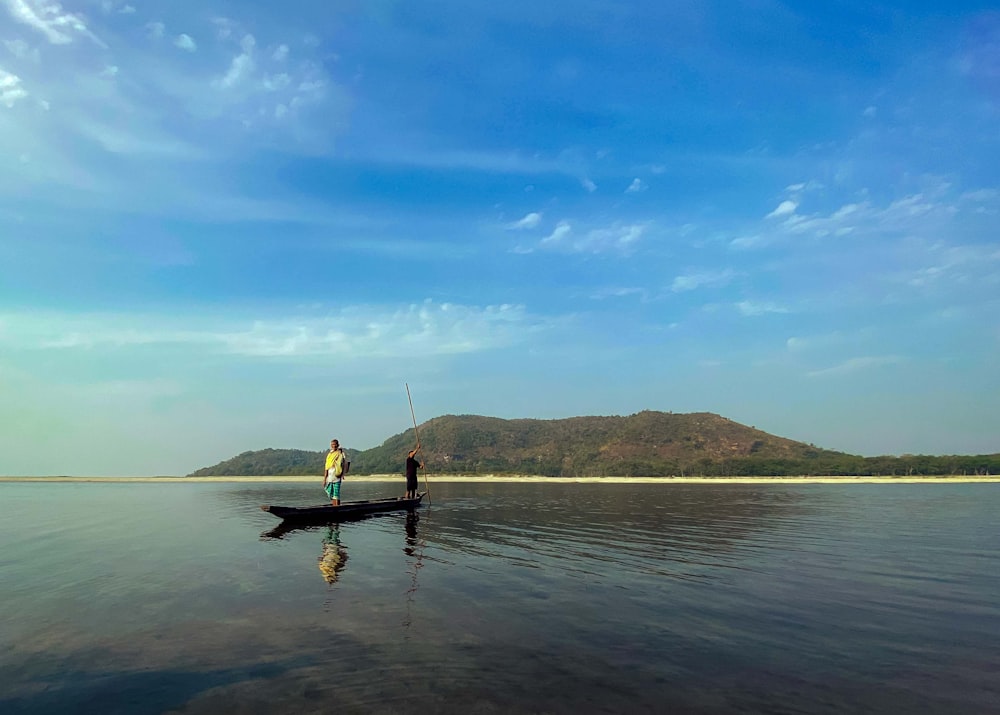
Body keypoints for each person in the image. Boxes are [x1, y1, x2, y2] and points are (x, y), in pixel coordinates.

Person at [324, 439, 348, 505]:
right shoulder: (329, 454)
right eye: (332, 444)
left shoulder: (340, 453)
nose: (333, 446)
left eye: (334, 444)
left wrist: (343, 474)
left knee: (336, 493)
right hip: (330, 476)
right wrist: (324, 479)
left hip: (337, 475)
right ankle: (334, 505)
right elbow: (326, 467)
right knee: (331, 493)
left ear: (337, 445)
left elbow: (344, 464)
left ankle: (337, 507)